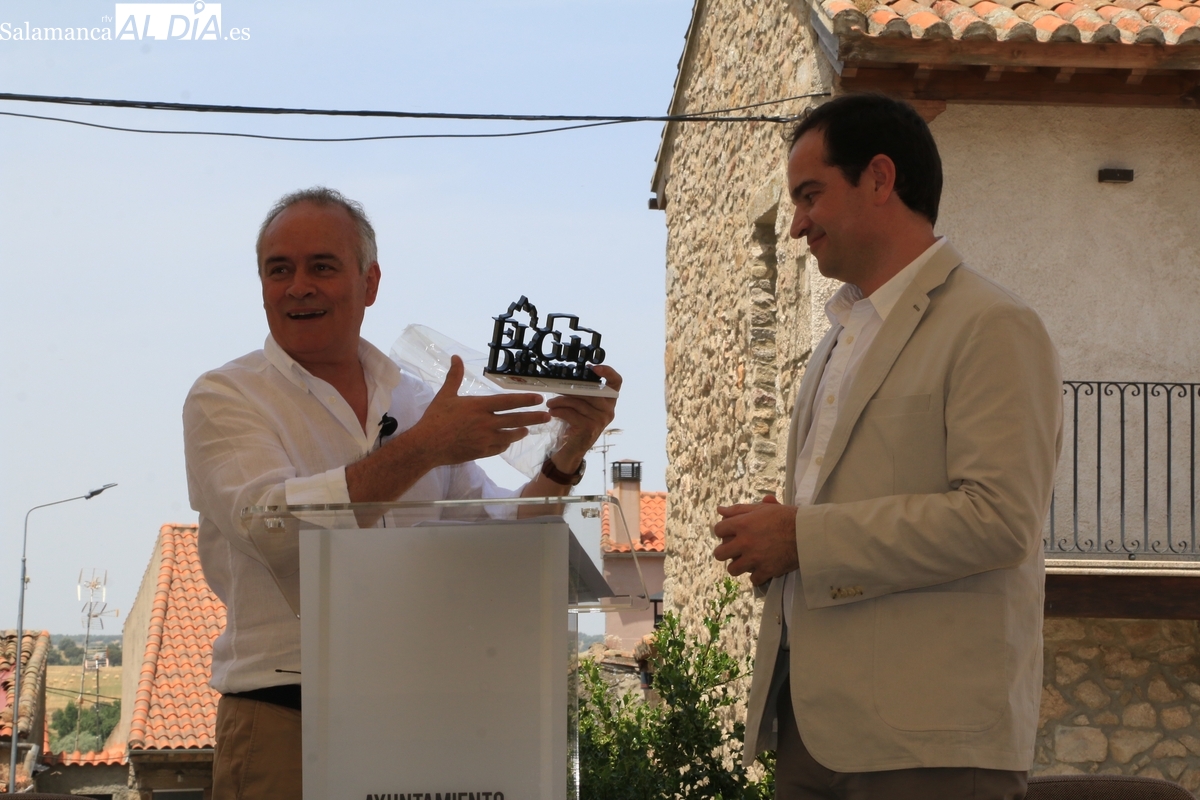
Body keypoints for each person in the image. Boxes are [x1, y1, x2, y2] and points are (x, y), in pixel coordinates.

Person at [183, 187, 619, 800]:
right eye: (279, 270)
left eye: (321, 267)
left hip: (432, 719)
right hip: (288, 718)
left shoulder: (418, 399)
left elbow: (500, 533)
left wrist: (567, 451)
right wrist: (423, 447)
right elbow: (273, 530)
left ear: (370, 282)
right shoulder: (226, 397)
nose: (298, 286)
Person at [712, 94, 1062, 800]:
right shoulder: (835, 342)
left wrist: (801, 537)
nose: (796, 225)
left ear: (879, 178)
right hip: (810, 730)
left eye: (810, 195)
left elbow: (999, 519)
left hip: (930, 742)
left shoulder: (993, 325)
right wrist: (775, 541)